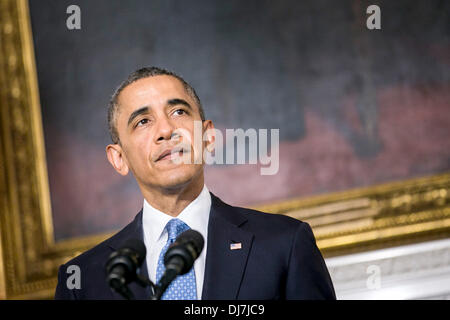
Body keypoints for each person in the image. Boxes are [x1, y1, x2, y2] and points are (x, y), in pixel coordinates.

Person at [54, 67, 336, 300]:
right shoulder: (82, 281)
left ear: (208, 138)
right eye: (142, 121)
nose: (166, 130)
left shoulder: (284, 244)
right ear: (118, 158)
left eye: (178, 112)